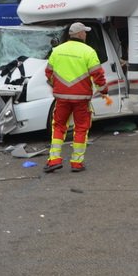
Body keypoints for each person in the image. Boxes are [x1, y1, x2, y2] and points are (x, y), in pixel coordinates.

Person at [44, 22, 108, 173]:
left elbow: (48, 73)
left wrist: (57, 86)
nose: (86, 34)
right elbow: (97, 74)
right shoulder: (89, 51)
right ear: (79, 34)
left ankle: (54, 159)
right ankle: (77, 163)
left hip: (61, 98)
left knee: (59, 127)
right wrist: (103, 89)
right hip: (81, 98)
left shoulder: (57, 50)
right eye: (84, 32)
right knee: (81, 128)